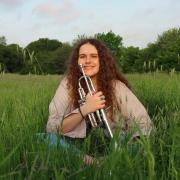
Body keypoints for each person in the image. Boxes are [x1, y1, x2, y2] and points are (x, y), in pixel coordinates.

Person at [46, 39, 152, 165]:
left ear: (102, 60)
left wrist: (131, 141)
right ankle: (91, 162)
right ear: (77, 61)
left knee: (141, 146)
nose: (88, 61)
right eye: (82, 56)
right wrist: (85, 109)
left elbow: (144, 122)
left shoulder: (116, 87)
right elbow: (52, 128)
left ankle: (106, 161)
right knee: (44, 139)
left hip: (119, 140)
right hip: (74, 141)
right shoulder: (67, 85)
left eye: (94, 56)